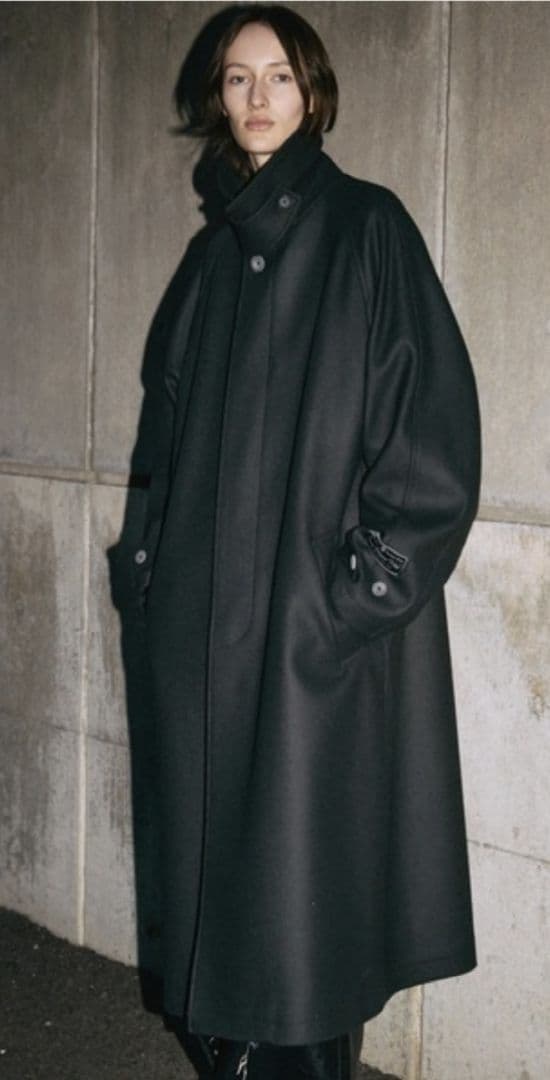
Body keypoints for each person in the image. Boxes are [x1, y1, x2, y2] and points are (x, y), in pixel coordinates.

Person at [133, 5, 481, 1078]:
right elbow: (167, 443)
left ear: (314, 91)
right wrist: (150, 578)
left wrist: (343, 603)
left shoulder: (367, 228)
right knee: (215, 920)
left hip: (306, 653)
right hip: (200, 646)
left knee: (301, 928)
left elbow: (430, 448)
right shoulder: (211, 259)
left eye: (277, 75)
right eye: (237, 78)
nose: (256, 97)